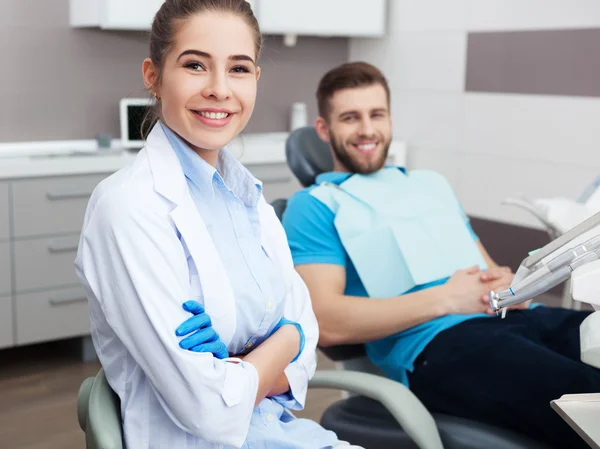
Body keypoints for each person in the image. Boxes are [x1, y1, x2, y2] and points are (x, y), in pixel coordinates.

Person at [75, 1, 363, 448]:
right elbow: (209, 411)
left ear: (255, 80)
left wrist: (248, 366)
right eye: (195, 65)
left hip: (287, 436)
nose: (219, 89)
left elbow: (307, 352)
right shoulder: (128, 207)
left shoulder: (249, 201)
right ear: (153, 75)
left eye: (239, 69)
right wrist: (287, 339)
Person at [282, 61, 600, 449]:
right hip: (439, 347)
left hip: (517, 319)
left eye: (376, 114)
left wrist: (511, 285)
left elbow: (484, 269)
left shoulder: (429, 184)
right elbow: (326, 322)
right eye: (350, 117)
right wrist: (447, 298)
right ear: (324, 129)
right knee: (585, 397)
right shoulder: (313, 205)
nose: (367, 129)